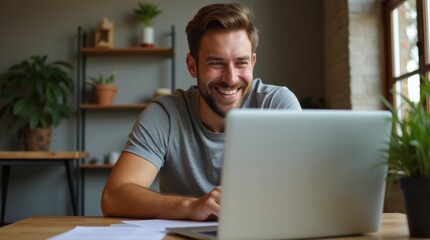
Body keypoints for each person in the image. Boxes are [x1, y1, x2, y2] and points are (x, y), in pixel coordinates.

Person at [101, 3, 301, 221]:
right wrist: (191, 206)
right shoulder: (165, 115)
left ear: (252, 63)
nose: (231, 78)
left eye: (241, 63)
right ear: (192, 65)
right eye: (217, 63)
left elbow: (307, 188)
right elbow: (114, 196)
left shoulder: (276, 105)